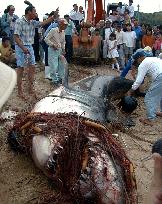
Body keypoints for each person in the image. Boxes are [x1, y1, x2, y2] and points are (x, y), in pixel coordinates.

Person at [14, 4, 58, 99]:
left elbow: (44, 22)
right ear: (29, 12)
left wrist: (53, 16)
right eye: (34, 11)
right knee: (21, 69)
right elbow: (16, 37)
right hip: (20, 47)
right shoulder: (19, 21)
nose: (35, 13)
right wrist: (22, 48)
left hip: (29, 46)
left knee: (32, 67)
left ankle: (30, 88)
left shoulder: (33, 22)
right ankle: (20, 91)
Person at [127, 50, 162, 126]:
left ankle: (150, 119)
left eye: (136, 60)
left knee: (149, 98)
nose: (136, 62)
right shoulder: (153, 58)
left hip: (160, 77)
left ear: (139, 58)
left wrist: (130, 91)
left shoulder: (143, 64)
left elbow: (138, 81)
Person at [44, 18, 68, 85]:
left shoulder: (63, 32)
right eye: (64, 25)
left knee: (61, 65)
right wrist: (52, 45)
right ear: (60, 24)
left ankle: (60, 78)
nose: (65, 27)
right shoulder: (53, 30)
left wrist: (63, 49)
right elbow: (46, 39)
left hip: (59, 50)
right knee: (53, 65)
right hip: (52, 50)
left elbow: (63, 42)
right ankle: (54, 80)